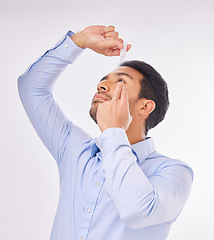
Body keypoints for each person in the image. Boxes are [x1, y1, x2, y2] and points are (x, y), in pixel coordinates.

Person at [18, 25, 193, 240]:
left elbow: (136, 211)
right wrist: (78, 42)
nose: (101, 85)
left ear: (145, 107)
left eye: (120, 81)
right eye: (104, 79)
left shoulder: (173, 172)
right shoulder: (75, 149)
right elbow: (31, 88)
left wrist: (113, 131)